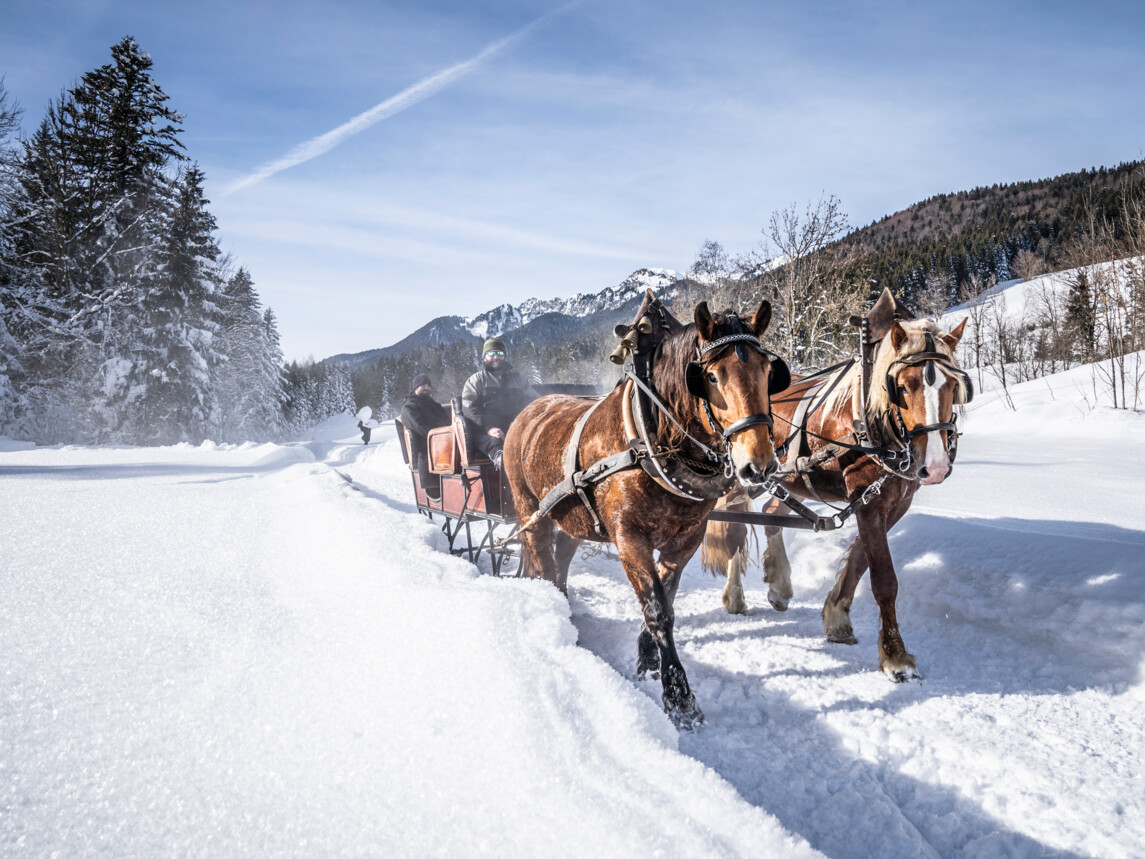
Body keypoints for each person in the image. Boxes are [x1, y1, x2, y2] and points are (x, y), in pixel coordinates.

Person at [461, 338, 538, 468]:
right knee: (496, 441)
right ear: (484, 357)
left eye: (500, 353)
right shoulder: (476, 381)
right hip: (485, 430)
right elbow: (470, 409)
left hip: (515, 426)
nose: (496, 357)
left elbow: (534, 401)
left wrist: (523, 423)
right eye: (491, 354)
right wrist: (489, 428)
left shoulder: (519, 380)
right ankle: (500, 460)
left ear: (505, 357)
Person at [400, 373, 450, 501]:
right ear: (416, 387)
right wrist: (440, 436)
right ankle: (436, 490)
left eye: (428, 385)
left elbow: (446, 420)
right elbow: (420, 427)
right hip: (425, 447)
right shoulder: (409, 407)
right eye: (423, 385)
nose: (426, 388)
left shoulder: (433, 404)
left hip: (443, 441)